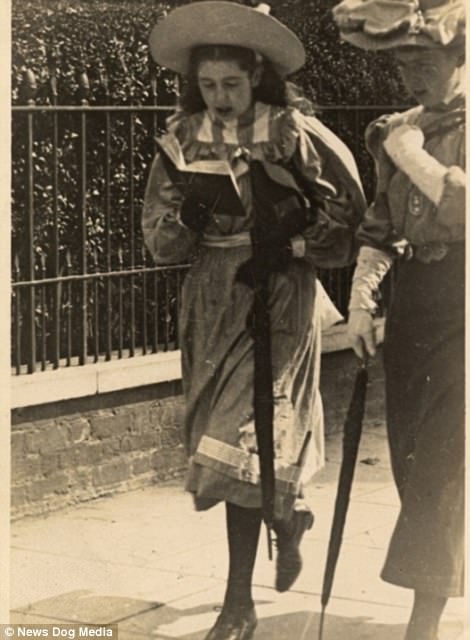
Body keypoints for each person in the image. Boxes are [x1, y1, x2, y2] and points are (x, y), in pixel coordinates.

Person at [143, 3, 365, 638]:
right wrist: (186, 219)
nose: (220, 98)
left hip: (280, 293)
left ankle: (236, 603)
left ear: (258, 75)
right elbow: (157, 241)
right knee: (230, 443)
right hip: (212, 300)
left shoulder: (296, 132)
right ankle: (287, 519)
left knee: (246, 439)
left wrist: (292, 239)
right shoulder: (180, 140)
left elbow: (350, 216)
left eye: (232, 85)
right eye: (208, 86)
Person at [333, 1, 465, 638]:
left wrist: (414, 155)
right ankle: (435, 583)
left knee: (445, 458)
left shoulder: (421, 135)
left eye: (426, 62)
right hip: (414, 300)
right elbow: (381, 226)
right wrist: (362, 301)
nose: (413, 78)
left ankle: (424, 620)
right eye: (403, 65)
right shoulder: (398, 128)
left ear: (460, 56)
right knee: (411, 454)